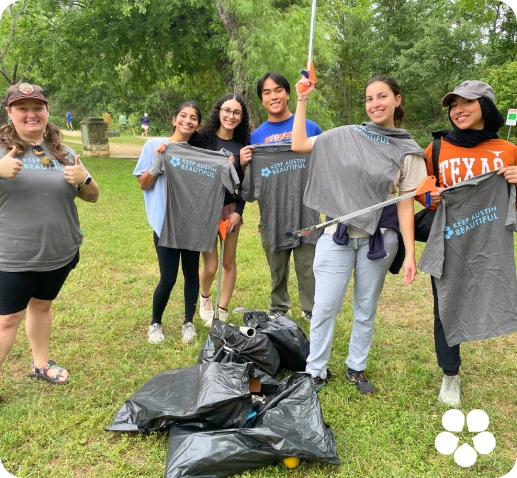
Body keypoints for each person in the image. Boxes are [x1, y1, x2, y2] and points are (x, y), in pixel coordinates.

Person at [292, 75, 427, 395]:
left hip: (379, 241)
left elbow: (406, 205)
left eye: (382, 96)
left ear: (397, 99)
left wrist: (410, 253)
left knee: (366, 307)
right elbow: (299, 144)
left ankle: (356, 367)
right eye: (369, 98)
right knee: (324, 306)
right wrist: (302, 100)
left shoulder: (408, 150)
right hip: (336, 235)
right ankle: (315, 371)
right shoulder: (348, 135)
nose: (375, 104)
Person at [417, 80, 517, 407]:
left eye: (467, 103)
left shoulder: (508, 151)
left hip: (489, 242)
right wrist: (427, 195)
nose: (458, 110)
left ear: (485, 107)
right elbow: (420, 188)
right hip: (448, 242)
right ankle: (450, 374)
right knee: (446, 306)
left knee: (492, 291)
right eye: (453, 105)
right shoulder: (437, 148)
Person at [0, 82, 99, 385]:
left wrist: (85, 178)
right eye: (22, 108)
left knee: (41, 306)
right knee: (7, 320)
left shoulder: (64, 152)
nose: (31, 114)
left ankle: (40, 365)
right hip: (13, 254)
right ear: (9, 112)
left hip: (59, 250)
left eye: (37, 107)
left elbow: (92, 196)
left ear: (46, 111)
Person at [240, 72, 322, 321]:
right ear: (261, 100)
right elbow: (249, 188)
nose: (273, 96)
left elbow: (325, 165)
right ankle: (278, 308)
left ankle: (311, 308)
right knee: (277, 267)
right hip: (273, 213)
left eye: (278, 90)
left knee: (308, 265)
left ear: (287, 93)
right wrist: (244, 165)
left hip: (306, 210)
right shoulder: (255, 138)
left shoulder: (309, 127)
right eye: (266, 92)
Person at [133, 102, 202, 344]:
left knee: (192, 275)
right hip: (164, 224)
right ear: (174, 119)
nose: (188, 120)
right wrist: (158, 162)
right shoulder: (154, 145)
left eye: (193, 117)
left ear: (198, 125)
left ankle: (188, 323)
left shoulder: (198, 153)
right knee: (168, 277)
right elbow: (143, 184)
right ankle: (155, 323)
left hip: (192, 224)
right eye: (183, 115)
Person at [194, 94, 250, 325]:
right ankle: (205, 298)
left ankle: (222, 309)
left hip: (230, 209)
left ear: (241, 117)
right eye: (227, 110)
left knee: (229, 262)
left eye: (236, 112)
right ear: (219, 111)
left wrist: (239, 211)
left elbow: (246, 185)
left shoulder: (243, 146)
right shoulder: (201, 140)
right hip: (206, 210)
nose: (231, 116)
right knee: (211, 265)